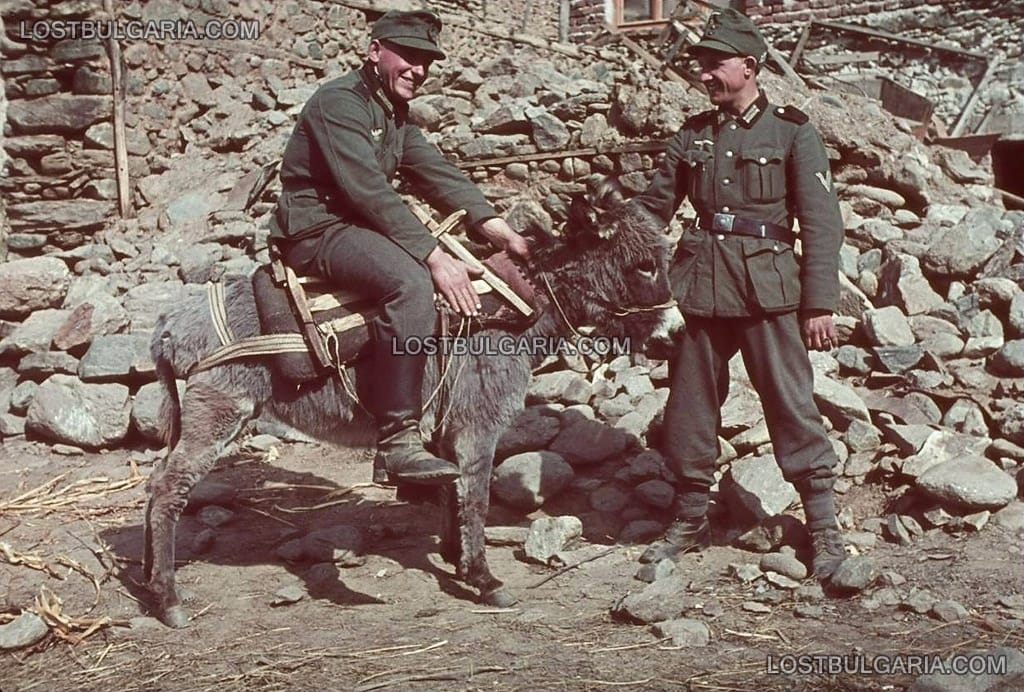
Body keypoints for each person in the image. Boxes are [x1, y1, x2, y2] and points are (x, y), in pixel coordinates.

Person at [268, 10, 529, 485]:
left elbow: (433, 169)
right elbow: (368, 190)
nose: (419, 69)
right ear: (374, 51)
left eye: (426, 60)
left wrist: (495, 227)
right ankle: (397, 441)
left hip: (355, 226)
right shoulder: (339, 103)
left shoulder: (392, 111)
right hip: (317, 230)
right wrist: (434, 259)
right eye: (408, 55)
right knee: (409, 282)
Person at [634, 8, 847, 580]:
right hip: (703, 285)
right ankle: (688, 517)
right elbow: (654, 207)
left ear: (749, 67)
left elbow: (821, 221)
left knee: (790, 403)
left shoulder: (793, 131)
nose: (704, 74)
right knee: (689, 408)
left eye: (715, 64)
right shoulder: (692, 134)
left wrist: (819, 302)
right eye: (700, 65)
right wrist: (610, 233)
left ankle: (823, 526)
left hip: (770, 288)